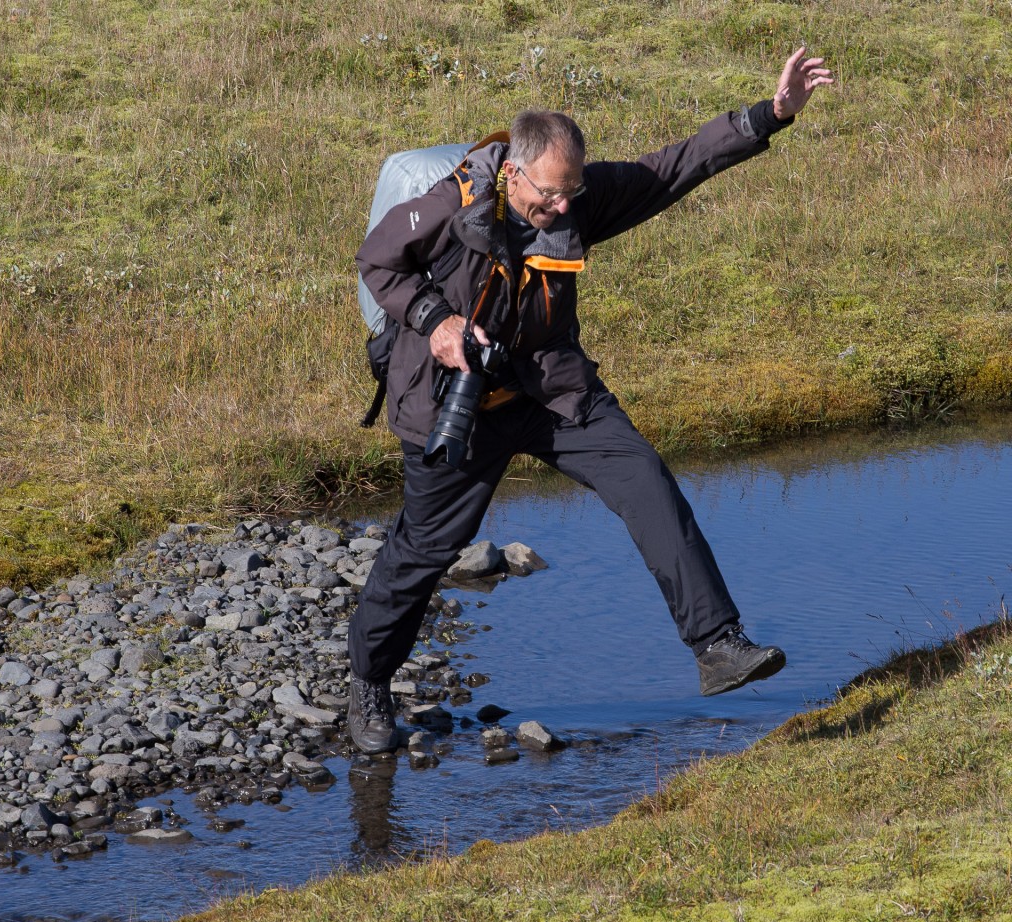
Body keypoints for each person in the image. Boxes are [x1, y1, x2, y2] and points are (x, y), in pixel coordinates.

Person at [348, 48, 834, 753]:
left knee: (644, 479)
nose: (563, 206)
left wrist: (772, 114)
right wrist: (436, 323)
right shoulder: (445, 207)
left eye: (571, 191)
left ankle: (718, 644)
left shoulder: (575, 199)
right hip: (455, 401)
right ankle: (368, 683)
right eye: (549, 193)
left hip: (551, 387)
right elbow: (377, 261)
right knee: (426, 549)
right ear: (512, 173)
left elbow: (673, 166)